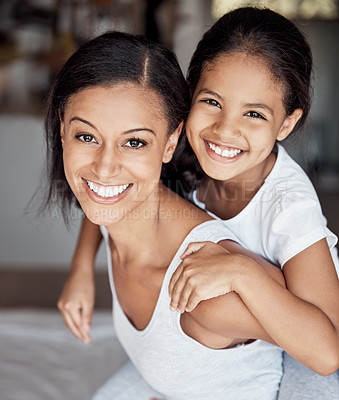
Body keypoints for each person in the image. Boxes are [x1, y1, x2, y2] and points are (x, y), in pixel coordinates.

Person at [57, 7, 339, 398]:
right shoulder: (182, 147)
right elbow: (109, 189)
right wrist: (80, 268)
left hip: (305, 346)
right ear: (190, 96)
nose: (225, 129)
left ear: (287, 124)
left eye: (254, 114)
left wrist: (241, 271)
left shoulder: (289, 204)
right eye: (212, 102)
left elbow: (326, 351)